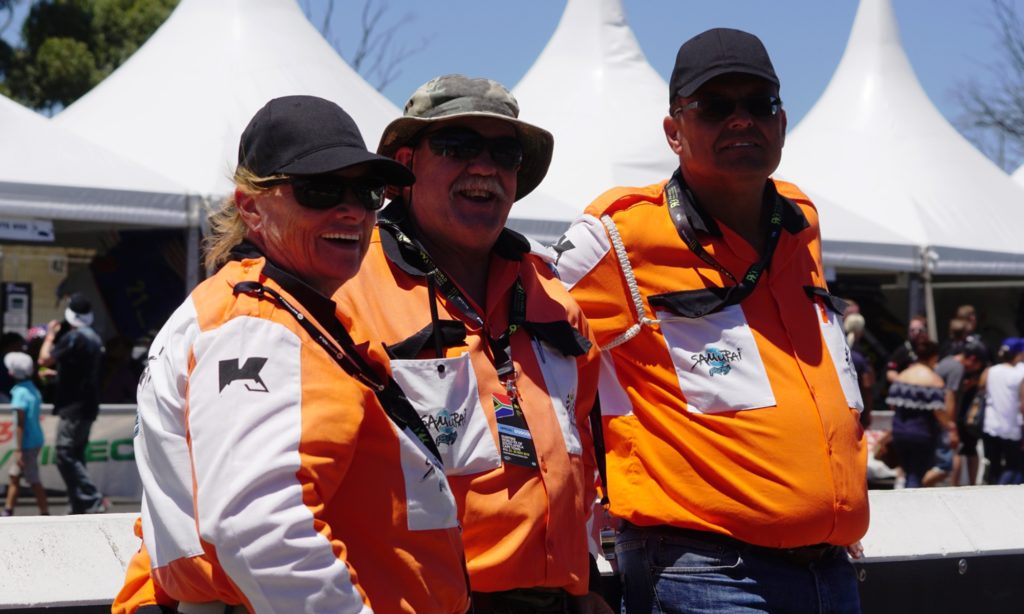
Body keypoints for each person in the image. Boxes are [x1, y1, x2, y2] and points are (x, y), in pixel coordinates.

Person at [551, 28, 868, 613]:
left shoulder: (801, 220)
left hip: (831, 572)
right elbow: (514, 328)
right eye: (716, 107)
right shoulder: (617, 234)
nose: (741, 120)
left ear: (782, 121)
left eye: (759, 104)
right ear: (674, 131)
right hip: (705, 576)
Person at [113, 95, 470, 613]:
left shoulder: (259, 309)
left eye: (368, 191)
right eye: (319, 189)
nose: (351, 209)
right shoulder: (257, 326)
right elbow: (256, 525)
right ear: (251, 207)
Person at [334, 75, 611, 613]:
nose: (483, 167)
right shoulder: (347, 287)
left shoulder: (553, 296)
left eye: (504, 152)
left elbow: (583, 464)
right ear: (407, 165)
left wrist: (587, 589)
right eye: (458, 146)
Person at [37, 292, 106, 514]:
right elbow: (82, 373)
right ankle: (78, 504)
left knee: (65, 452)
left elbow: (43, 359)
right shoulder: (95, 338)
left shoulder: (74, 337)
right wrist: (57, 376)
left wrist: (49, 336)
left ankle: (92, 498)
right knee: (75, 453)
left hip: (73, 406)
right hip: (88, 404)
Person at [886, 340, 957, 488]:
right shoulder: (934, 381)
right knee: (916, 475)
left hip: (899, 433)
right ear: (934, 357)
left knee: (908, 473)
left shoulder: (902, 376)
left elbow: (893, 405)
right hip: (922, 434)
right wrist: (950, 427)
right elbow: (938, 411)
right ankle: (912, 507)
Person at [2, 351, 48, 516]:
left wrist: (18, 449)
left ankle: (44, 512)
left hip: (26, 444)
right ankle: (8, 510)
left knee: (33, 479)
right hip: (35, 439)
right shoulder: (32, 389)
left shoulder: (19, 394)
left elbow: (20, 424)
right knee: (14, 476)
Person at [979, 337, 1024, 485]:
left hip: (991, 426)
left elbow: (981, 391)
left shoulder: (990, 371)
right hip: (1011, 428)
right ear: (1018, 354)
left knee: (994, 465)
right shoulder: (1020, 375)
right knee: (1015, 467)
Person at [949, 341, 988, 485]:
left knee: (970, 450)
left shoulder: (982, 370)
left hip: (972, 418)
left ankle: (972, 484)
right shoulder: (958, 368)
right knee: (958, 450)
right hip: (957, 416)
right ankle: (953, 486)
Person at [845, 312, 875, 428]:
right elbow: (867, 385)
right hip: (857, 410)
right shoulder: (862, 356)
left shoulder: (837, 352)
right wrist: (868, 412)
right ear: (861, 331)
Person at [886, 315, 929, 383]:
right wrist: (906, 384)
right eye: (912, 330)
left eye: (919, 330)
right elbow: (890, 373)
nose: (916, 333)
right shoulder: (902, 351)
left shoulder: (930, 349)